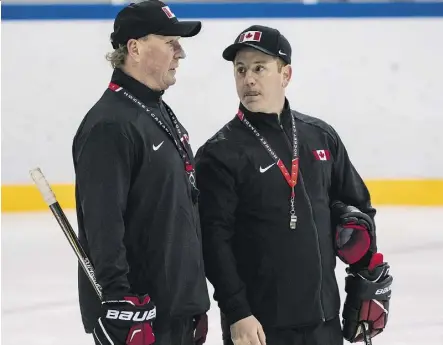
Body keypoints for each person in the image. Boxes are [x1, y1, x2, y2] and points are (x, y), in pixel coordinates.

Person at [195, 25, 393, 345]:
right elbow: (213, 242)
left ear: (285, 74)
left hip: (324, 322)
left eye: (260, 68)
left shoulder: (320, 136)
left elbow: (359, 209)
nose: (248, 79)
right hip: (259, 327)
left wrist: (365, 269)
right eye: (240, 69)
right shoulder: (220, 154)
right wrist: (238, 312)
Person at [72, 1, 210, 344]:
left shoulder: (156, 109)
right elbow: (103, 224)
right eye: (169, 42)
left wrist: (192, 302)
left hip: (174, 311)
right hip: (141, 318)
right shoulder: (110, 125)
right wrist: (118, 303)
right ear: (134, 48)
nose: (180, 53)